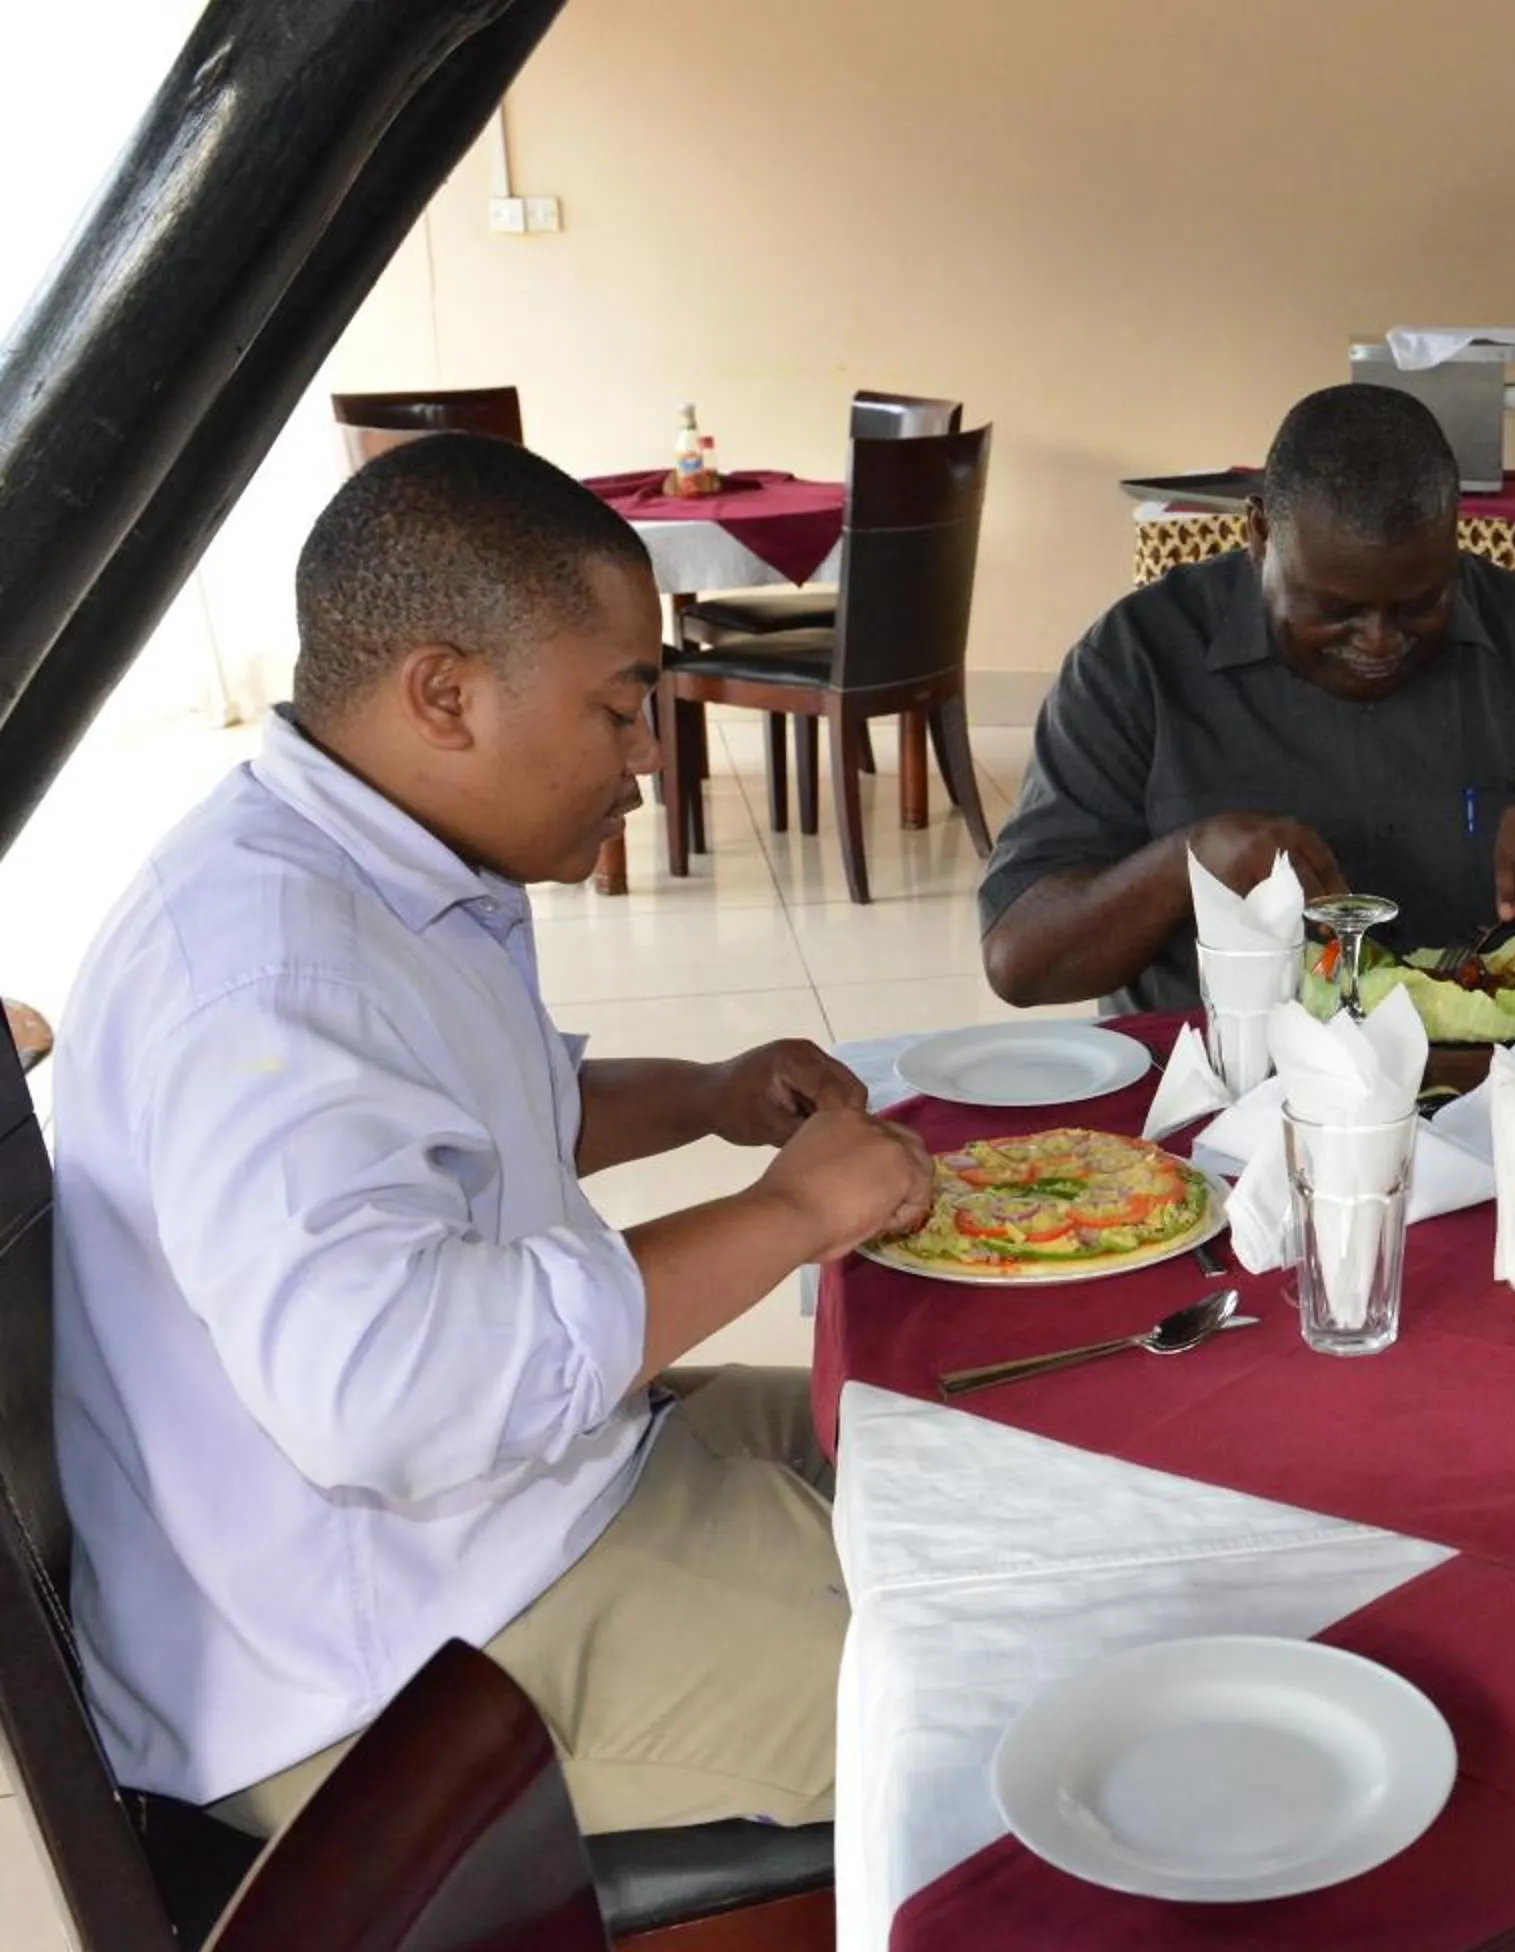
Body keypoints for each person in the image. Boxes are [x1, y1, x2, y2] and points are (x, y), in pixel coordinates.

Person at [50, 434, 937, 1836]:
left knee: (949, 1438)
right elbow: (397, 1393)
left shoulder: (374, 858)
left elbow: (479, 1118)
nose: (649, 756)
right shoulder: (270, 980)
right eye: (619, 709)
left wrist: (708, 1091)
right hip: (381, 1656)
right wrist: (792, 1216)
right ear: (446, 696)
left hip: (516, 1497)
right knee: (1004, 1699)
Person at [980, 384, 1515, 1012]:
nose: (1378, 641)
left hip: (1490, 1081)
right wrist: (1189, 862)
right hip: (1219, 1079)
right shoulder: (1139, 657)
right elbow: (1021, 962)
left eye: (1418, 604)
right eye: (1335, 610)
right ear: (1258, 537)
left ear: (1454, 542)